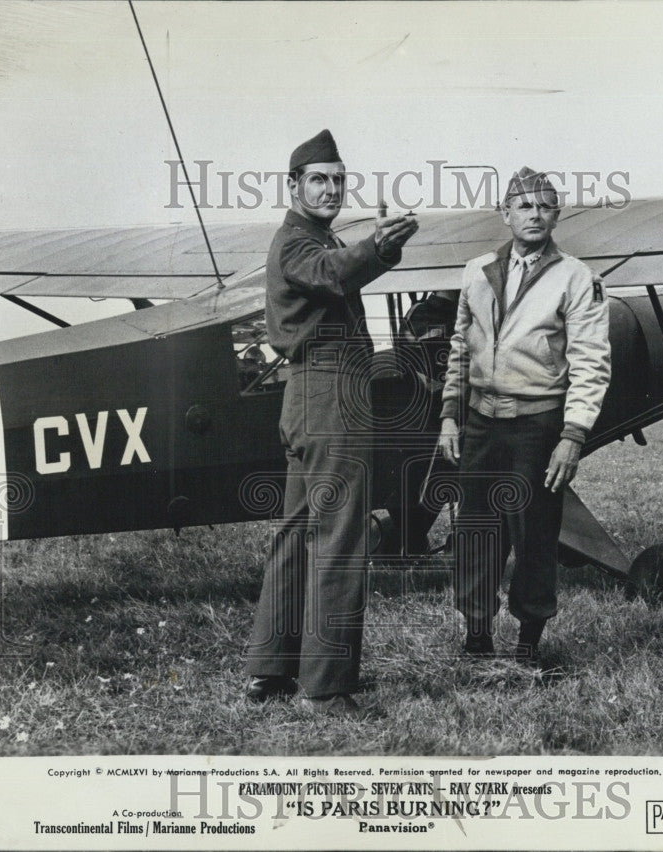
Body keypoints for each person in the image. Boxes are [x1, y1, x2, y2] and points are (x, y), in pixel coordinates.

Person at [244, 129, 418, 717]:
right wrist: (381, 247)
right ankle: (326, 688)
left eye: (340, 180)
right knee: (340, 536)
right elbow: (332, 272)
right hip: (329, 394)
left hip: (304, 396)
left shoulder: (308, 238)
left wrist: (373, 251)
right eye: (319, 179)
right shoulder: (299, 243)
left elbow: (335, 267)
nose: (332, 189)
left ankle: (270, 670)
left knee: (297, 532)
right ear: (293, 186)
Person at [437, 166, 611, 666]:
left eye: (544, 206)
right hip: (480, 423)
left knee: (535, 535)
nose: (534, 215)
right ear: (505, 213)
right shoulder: (476, 271)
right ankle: (476, 636)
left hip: (537, 426)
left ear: (556, 214)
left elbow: (591, 361)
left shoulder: (577, 278)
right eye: (525, 206)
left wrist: (572, 435)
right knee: (476, 531)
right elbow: (459, 348)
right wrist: (450, 414)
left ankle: (529, 642)